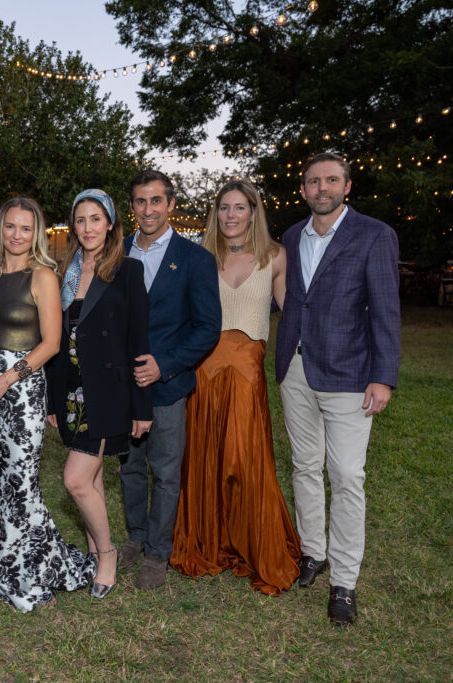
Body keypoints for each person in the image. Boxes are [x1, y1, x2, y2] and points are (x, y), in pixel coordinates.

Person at [275, 152, 401, 626]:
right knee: (304, 465)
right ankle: (313, 553)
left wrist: (383, 375)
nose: (321, 188)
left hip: (351, 374)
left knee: (347, 475)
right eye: (313, 181)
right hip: (296, 370)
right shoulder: (291, 237)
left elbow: (386, 309)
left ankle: (344, 582)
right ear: (303, 189)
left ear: (347, 186)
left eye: (331, 180)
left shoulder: (374, 235)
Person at [169, 179, 301, 595]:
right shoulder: (200, 256)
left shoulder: (277, 256)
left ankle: (251, 543)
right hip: (204, 371)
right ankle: (206, 539)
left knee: (243, 460)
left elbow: (293, 319)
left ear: (254, 211)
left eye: (239, 207)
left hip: (247, 374)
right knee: (203, 455)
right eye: (224, 207)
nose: (230, 215)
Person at [0, 197, 95, 612]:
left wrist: (6, 378)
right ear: (0, 229)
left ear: (35, 233)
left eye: (26, 228)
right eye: (10, 227)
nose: (17, 235)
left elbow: (52, 343)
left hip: (20, 389)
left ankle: (28, 569)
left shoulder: (43, 277)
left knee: (19, 480)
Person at [46, 188, 152, 600]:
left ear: (110, 223)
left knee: (75, 480)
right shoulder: (65, 272)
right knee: (92, 476)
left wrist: (142, 406)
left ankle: (107, 554)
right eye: (81, 219)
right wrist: (55, 401)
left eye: (96, 219)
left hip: (110, 393)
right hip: (71, 392)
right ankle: (93, 548)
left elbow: (138, 343)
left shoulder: (128, 271)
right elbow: (56, 341)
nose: (88, 227)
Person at [119, 170, 221, 590]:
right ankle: (135, 537)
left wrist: (165, 364)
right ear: (131, 207)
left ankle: (158, 552)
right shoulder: (117, 251)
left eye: (156, 201)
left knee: (165, 470)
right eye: (141, 202)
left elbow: (207, 328)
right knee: (128, 469)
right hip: (122, 386)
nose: (148, 210)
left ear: (171, 204)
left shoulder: (195, 258)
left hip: (167, 385)